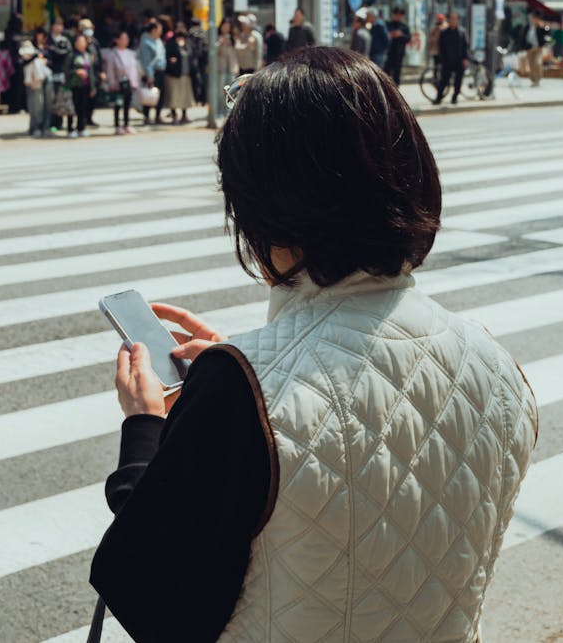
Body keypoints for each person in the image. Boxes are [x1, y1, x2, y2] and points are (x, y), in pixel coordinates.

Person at [90, 46, 538, 642]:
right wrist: (256, 373)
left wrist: (149, 424)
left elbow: (149, 592)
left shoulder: (240, 392)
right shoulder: (495, 362)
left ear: (271, 212)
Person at [102, 30, 140, 135]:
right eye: (122, 39)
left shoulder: (131, 53)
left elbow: (134, 69)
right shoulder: (112, 54)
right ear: (117, 40)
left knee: (128, 105)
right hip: (118, 84)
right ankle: (117, 125)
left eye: (126, 39)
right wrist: (112, 83)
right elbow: (110, 70)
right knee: (118, 105)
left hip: (129, 83)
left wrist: (135, 82)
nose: (125, 41)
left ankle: (126, 124)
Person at [435, 11, 470, 105]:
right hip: (447, 61)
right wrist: (442, 59)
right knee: (444, 80)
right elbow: (441, 47)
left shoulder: (462, 32)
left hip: (459, 60)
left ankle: (455, 97)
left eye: (455, 19)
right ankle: (438, 98)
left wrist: (465, 58)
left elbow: (465, 47)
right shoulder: (444, 32)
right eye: (451, 18)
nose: (453, 21)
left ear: (458, 20)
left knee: (458, 81)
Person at [65, 33, 96, 138]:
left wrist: (93, 87)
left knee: (82, 108)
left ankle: (81, 127)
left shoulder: (87, 55)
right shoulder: (71, 55)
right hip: (74, 85)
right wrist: (76, 71)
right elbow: (66, 70)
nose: (82, 44)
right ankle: (70, 129)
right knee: (72, 108)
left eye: (83, 42)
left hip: (85, 85)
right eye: (79, 42)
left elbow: (91, 72)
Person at [137, 21, 167, 127]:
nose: (161, 31)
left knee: (160, 94)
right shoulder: (145, 42)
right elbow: (146, 61)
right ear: (153, 30)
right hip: (151, 72)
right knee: (148, 94)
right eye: (159, 29)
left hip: (160, 70)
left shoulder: (158, 41)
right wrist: (149, 75)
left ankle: (157, 115)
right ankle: (146, 116)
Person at [163, 27, 195, 124]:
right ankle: (174, 115)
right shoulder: (171, 45)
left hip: (185, 74)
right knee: (174, 97)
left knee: (185, 97)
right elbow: (168, 57)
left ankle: (184, 115)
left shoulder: (187, 45)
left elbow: (192, 57)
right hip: (174, 75)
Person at [22, 35, 51, 137]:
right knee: (35, 105)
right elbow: (22, 61)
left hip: (46, 78)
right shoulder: (27, 49)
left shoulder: (49, 47)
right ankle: (35, 127)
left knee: (47, 104)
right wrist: (36, 55)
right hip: (33, 81)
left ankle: (46, 127)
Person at [384, 5, 411, 86]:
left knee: (397, 73)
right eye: (396, 14)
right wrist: (390, 35)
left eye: (400, 14)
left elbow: (408, 39)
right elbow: (383, 37)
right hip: (388, 53)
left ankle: (396, 91)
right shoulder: (387, 24)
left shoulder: (404, 27)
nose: (398, 16)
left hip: (399, 53)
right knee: (386, 73)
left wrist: (401, 35)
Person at [217, 18, 240, 85]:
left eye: (228, 27)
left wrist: (236, 67)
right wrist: (220, 44)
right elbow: (214, 52)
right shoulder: (217, 37)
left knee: (231, 88)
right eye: (224, 26)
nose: (226, 28)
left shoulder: (233, 38)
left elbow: (236, 54)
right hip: (220, 68)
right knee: (220, 90)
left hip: (231, 68)